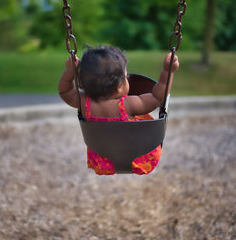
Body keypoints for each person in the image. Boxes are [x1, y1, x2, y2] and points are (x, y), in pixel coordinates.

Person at [58, 45, 179, 175]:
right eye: (126, 77)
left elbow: (65, 91)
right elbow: (157, 96)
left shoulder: (83, 102)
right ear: (119, 88)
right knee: (142, 120)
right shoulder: (128, 104)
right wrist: (168, 71)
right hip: (140, 160)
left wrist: (69, 71)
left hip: (101, 162)